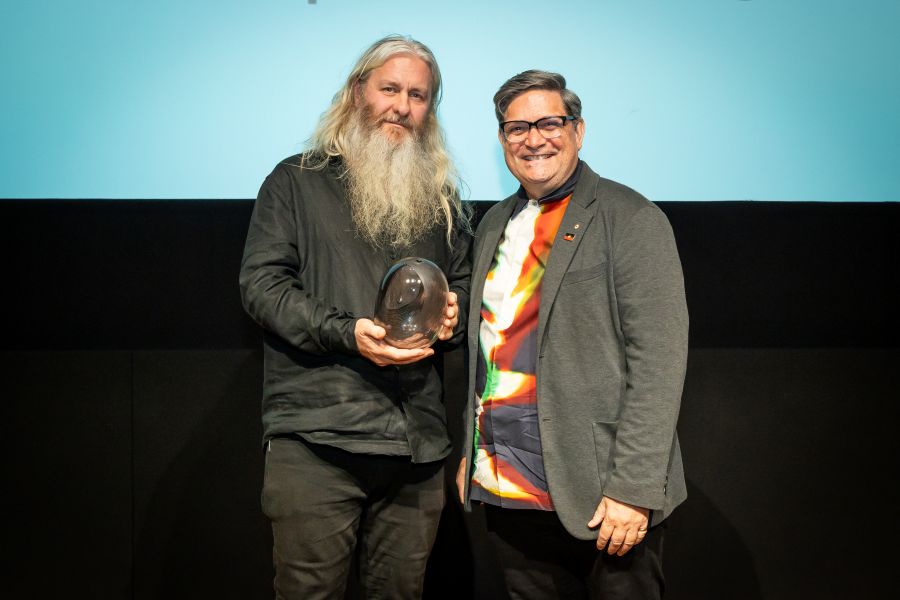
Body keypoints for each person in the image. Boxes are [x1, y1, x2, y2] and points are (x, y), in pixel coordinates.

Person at [239, 35, 471, 600]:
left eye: (418, 96)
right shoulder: (294, 182)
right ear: (356, 92)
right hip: (319, 440)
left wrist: (452, 318)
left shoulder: (439, 197)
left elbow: (461, 287)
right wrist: (347, 333)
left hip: (416, 446)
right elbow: (262, 287)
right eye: (389, 88)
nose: (402, 106)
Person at [456, 70, 688, 599]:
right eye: (517, 128)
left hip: (603, 494)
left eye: (549, 123)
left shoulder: (630, 217)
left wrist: (634, 489)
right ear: (501, 140)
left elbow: (659, 363)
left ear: (578, 131)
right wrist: (473, 452)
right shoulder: (493, 223)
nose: (533, 138)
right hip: (508, 489)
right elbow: (488, 346)